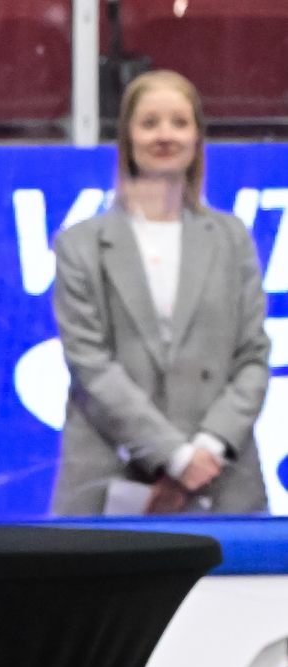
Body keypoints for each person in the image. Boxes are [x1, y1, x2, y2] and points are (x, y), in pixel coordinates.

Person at [51, 69, 269, 516]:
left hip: (222, 477)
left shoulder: (233, 239)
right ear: (128, 137)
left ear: (197, 138)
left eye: (179, 122)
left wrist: (207, 448)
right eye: (150, 123)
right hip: (108, 478)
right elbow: (90, 364)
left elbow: (252, 357)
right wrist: (175, 455)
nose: (165, 135)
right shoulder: (79, 244)